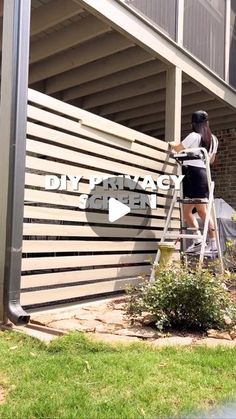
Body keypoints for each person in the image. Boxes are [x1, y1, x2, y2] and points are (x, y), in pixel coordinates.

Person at [169, 110, 218, 254]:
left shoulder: (194, 136)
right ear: (207, 123)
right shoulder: (214, 139)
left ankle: (198, 240)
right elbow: (211, 160)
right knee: (202, 211)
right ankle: (212, 243)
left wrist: (172, 144)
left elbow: (178, 149)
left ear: (194, 124)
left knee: (187, 212)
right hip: (205, 175)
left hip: (193, 175)